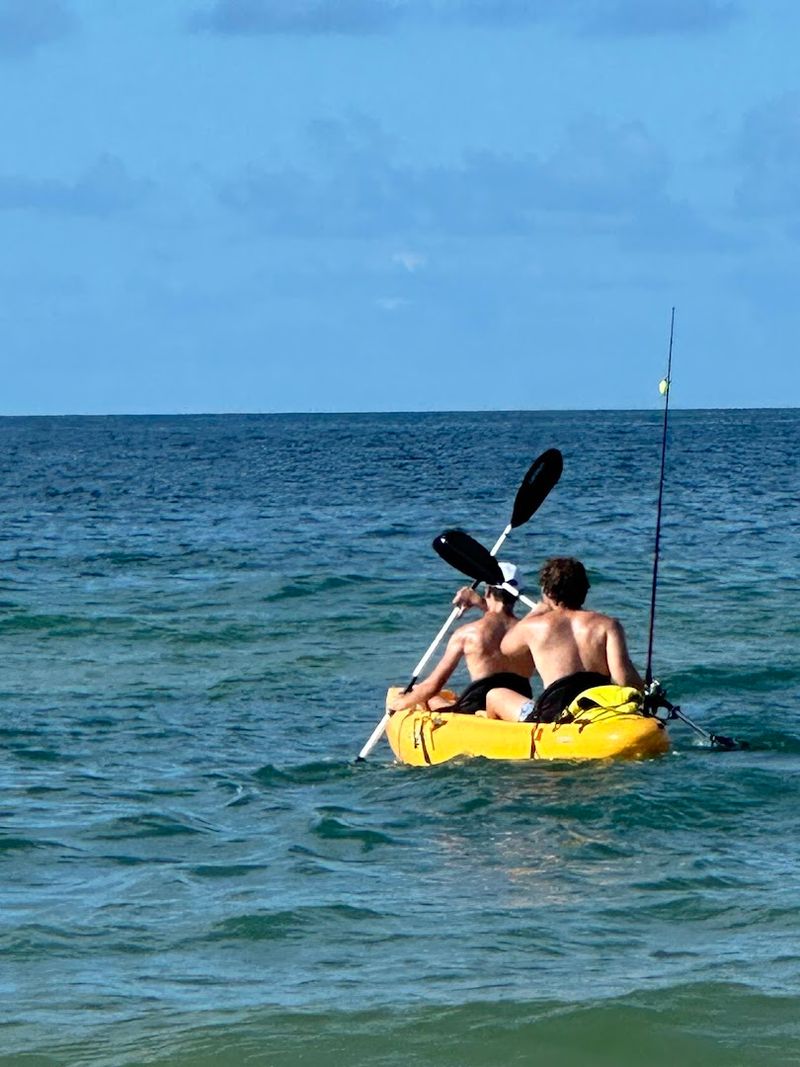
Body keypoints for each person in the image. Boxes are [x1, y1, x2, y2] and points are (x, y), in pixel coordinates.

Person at [486, 557, 644, 724]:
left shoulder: (535, 626)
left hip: (554, 714)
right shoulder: (608, 625)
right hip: (597, 709)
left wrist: (536, 611)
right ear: (584, 590)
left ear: (548, 592)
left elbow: (506, 648)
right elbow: (623, 680)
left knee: (494, 695)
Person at [390, 563, 534, 714]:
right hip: (516, 708)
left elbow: (434, 685)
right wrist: (479, 603)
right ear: (518, 595)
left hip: (475, 709)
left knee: (425, 695)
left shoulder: (467, 634)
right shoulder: (530, 633)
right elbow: (503, 623)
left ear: (487, 591)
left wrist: (400, 703)